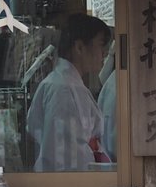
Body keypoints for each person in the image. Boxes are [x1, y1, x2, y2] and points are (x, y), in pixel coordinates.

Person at [25, 14, 112, 171]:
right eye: (100, 45)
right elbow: (64, 154)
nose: (104, 54)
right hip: (67, 181)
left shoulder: (65, 83)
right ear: (79, 47)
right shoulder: (62, 88)